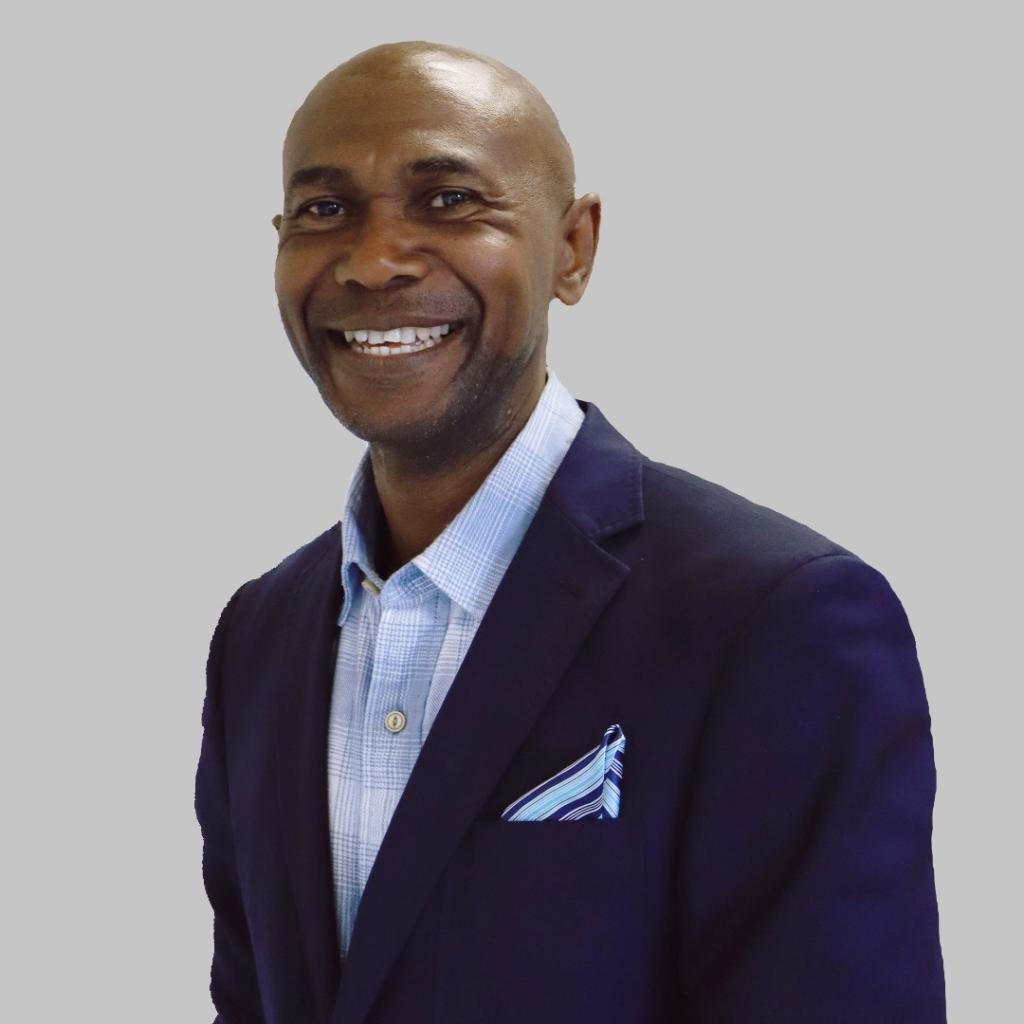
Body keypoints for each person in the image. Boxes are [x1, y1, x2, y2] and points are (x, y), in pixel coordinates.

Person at [195, 39, 946, 1024]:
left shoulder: (776, 620)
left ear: (574, 249)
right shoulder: (261, 634)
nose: (373, 259)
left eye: (449, 199)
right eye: (324, 209)